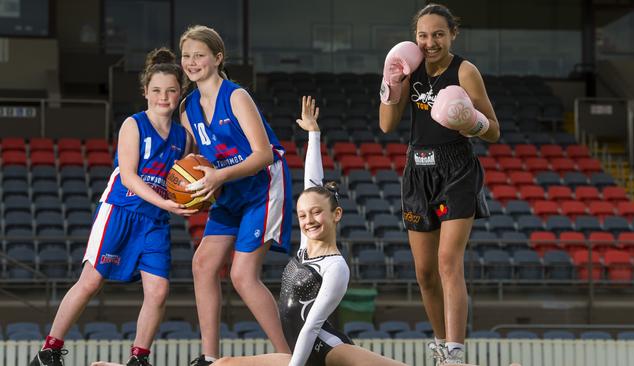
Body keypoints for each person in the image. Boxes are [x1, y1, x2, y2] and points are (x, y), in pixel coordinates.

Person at [207, 96, 407, 366]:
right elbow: (313, 185)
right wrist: (313, 134)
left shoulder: (336, 267)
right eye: (302, 215)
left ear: (336, 215)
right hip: (298, 354)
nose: (308, 220)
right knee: (222, 364)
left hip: (328, 351)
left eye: (316, 214)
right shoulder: (305, 247)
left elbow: (312, 326)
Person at [30, 48, 196, 366]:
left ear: (180, 93)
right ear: (146, 92)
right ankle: (48, 350)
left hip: (155, 221)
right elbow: (130, 178)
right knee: (91, 281)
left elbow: (185, 177)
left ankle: (139, 358)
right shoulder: (133, 125)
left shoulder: (183, 138)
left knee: (159, 291)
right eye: (157, 90)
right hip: (120, 211)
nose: (164, 96)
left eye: (172, 90)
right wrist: (165, 201)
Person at [378, 3, 500, 365]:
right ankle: (441, 343)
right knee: (425, 272)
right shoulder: (409, 66)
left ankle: (456, 354)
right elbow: (387, 125)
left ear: (452, 35)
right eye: (423, 35)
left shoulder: (465, 71)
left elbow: (494, 130)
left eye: (438, 34)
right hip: (417, 169)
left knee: (448, 262)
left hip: (456, 168)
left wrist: (471, 123)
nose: (430, 42)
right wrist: (391, 83)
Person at [177, 25, 292, 365]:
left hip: (262, 185)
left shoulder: (237, 96)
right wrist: (188, 191)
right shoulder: (188, 108)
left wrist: (218, 176)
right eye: (186, 56)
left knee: (242, 275)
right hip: (229, 190)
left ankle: (290, 356)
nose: (191, 62)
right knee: (202, 264)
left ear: (217, 57)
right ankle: (209, 357)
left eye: (199, 55)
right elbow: (193, 161)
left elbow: (263, 155)